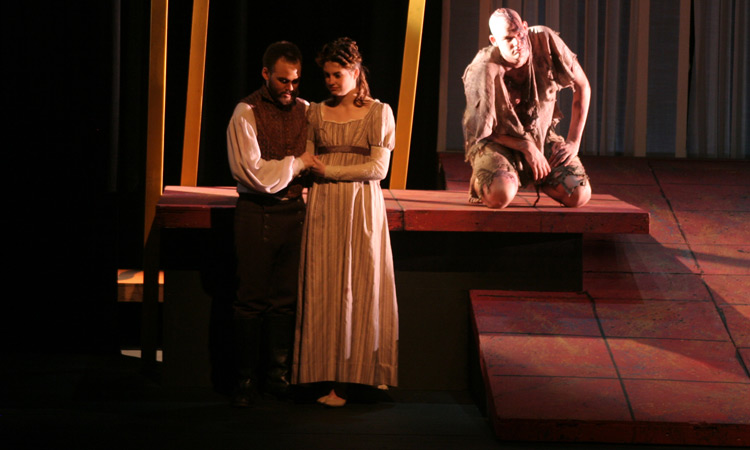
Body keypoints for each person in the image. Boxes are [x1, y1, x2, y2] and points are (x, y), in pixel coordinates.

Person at [292, 37, 399, 407]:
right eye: (326, 75)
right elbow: (308, 157)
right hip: (324, 205)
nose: (331, 81)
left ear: (355, 71)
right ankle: (324, 376)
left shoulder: (378, 112)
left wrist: (330, 170)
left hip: (361, 206)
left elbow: (378, 168)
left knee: (360, 284)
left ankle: (361, 375)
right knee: (324, 287)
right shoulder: (316, 112)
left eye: (338, 74)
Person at [226, 41, 315, 407]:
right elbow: (255, 174)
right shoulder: (246, 112)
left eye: (295, 81)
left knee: (285, 300)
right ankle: (244, 380)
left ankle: (277, 376)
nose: (290, 88)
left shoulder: (306, 110)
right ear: (265, 74)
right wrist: (299, 163)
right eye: (282, 80)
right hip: (257, 213)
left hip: (294, 213)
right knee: (251, 300)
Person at [462, 8, 592, 209]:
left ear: (525, 27)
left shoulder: (544, 40)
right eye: (508, 39)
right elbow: (482, 132)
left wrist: (574, 142)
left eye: (519, 35)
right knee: (500, 194)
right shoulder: (484, 68)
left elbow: (582, 86)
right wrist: (526, 147)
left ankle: (540, 176)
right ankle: (490, 180)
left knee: (579, 194)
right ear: (494, 41)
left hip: (541, 136)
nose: (517, 43)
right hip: (499, 140)